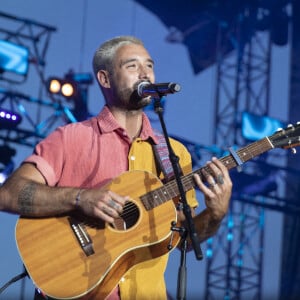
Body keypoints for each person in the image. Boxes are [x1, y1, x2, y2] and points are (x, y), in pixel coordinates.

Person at [0, 36, 232, 300]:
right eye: (132, 66)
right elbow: (8, 194)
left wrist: (215, 213)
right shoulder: (71, 138)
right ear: (105, 78)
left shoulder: (173, 154)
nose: (145, 73)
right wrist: (80, 198)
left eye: (149, 65)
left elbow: (185, 242)